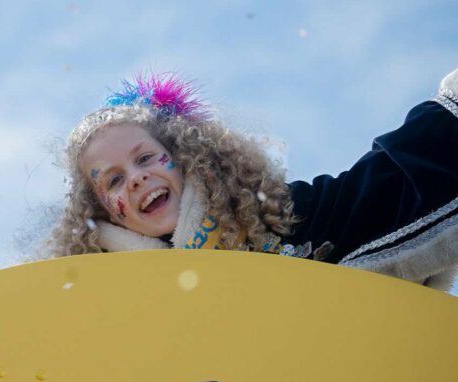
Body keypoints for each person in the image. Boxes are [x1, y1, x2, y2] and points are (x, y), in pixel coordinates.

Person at [46, 71, 458, 290]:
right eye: (114, 181)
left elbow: (384, 187)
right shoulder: (107, 298)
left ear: (184, 158)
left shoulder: (284, 220)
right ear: (103, 214)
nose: (137, 179)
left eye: (145, 158)